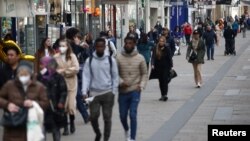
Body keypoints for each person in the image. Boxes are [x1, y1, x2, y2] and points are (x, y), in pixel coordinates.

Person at [0, 61, 49, 141]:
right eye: (21, 74)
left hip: (32, 126)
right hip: (13, 127)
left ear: (30, 74)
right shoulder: (10, 85)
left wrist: (34, 103)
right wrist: (7, 105)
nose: (23, 77)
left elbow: (46, 102)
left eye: (25, 74)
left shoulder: (39, 87)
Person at [82, 38, 119, 141]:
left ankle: (106, 138)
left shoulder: (110, 60)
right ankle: (98, 133)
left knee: (107, 118)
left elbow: (115, 76)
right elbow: (86, 76)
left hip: (107, 92)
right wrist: (84, 91)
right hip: (94, 93)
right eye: (97, 46)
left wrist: (113, 91)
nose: (100, 48)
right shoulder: (89, 61)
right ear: (95, 47)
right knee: (93, 117)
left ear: (105, 47)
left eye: (101, 46)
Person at [117, 36, 148, 141]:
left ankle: (133, 138)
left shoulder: (140, 58)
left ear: (134, 44)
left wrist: (141, 85)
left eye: (130, 43)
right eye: (126, 43)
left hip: (135, 90)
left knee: (133, 114)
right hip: (122, 92)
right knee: (122, 116)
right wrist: (121, 82)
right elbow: (114, 74)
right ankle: (127, 129)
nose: (128, 45)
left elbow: (144, 74)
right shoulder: (118, 57)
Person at [37, 57, 67, 141]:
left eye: (42, 64)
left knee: (55, 130)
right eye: (40, 64)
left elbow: (63, 91)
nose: (40, 66)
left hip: (55, 109)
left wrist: (61, 102)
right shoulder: (39, 77)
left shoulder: (58, 77)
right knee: (41, 131)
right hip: (42, 109)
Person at [54, 38, 79, 135]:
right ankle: (65, 127)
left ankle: (72, 122)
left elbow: (76, 68)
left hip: (72, 84)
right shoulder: (56, 57)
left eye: (64, 46)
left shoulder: (72, 56)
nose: (62, 48)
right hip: (60, 86)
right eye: (60, 46)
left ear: (68, 47)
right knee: (63, 107)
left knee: (71, 106)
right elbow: (53, 70)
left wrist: (64, 71)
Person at [66, 29, 90, 124]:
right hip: (65, 76)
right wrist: (81, 46)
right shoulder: (70, 45)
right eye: (76, 35)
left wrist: (84, 47)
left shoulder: (73, 45)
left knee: (77, 96)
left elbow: (84, 52)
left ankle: (85, 116)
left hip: (73, 76)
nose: (77, 37)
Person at [149, 36, 173, 101]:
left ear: (164, 42)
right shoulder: (155, 48)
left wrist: (171, 66)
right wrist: (152, 64)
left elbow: (169, 58)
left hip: (166, 67)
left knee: (165, 81)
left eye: (162, 41)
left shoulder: (167, 48)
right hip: (158, 67)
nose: (161, 42)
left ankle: (165, 95)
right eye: (160, 41)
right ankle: (162, 95)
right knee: (160, 81)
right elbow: (153, 57)